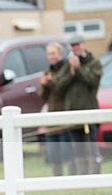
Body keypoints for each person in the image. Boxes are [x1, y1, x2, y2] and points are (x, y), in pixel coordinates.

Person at [53, 35, 103, 175]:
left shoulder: (94, 63)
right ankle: (79, 176)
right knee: (77, 148)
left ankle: (94, 174)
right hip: (72, 112)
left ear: (83, 45)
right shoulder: (68, 65)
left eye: (78, 45)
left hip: (89, 111)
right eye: (73, 46)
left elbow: (93, 81)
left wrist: (79, 70)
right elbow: (58, 85)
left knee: (91, 147)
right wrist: (72, 72)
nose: (76, 48)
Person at [38, 42, 74, 176]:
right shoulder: (48, 71)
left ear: (60, 54)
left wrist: (50, 81)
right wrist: (44, 85)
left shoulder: (66, 69)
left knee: (67, 152)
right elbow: (43, 96)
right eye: (49, 54)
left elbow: (61, 88)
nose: (51, 56)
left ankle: (72, 177)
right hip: (51, 119)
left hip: (65, 117)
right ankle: (56, 178)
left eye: (53, 53)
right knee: (53, 154)